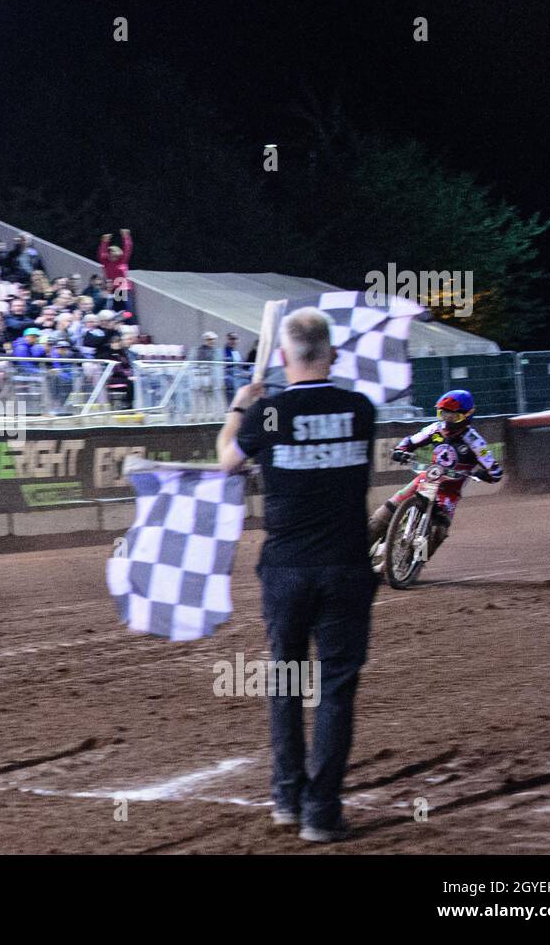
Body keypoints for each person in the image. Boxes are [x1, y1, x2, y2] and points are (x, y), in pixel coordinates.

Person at [216, 307, 378, 844]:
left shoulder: (269, 414)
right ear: (331, 353)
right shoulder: (360, 409)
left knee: (286, 682)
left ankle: (286, 796)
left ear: (283, 357)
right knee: (335, 689)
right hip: (347, 567)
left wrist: (243, 406)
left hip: (285, 569)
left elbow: (226, 462)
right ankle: (321, 811)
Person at [367, 389, 503, 555]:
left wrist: (486, 474)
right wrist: (400, 450)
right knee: (383, 514)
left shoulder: (475, 442)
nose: (448, 421)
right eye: (443, 414)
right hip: (426, 479)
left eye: (454, 417)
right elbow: (411, 441)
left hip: (449, 492)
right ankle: (357, 554)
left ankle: (415, 562)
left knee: (438, 532)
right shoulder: (436, 429)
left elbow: (495, 470)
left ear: (467, 416)